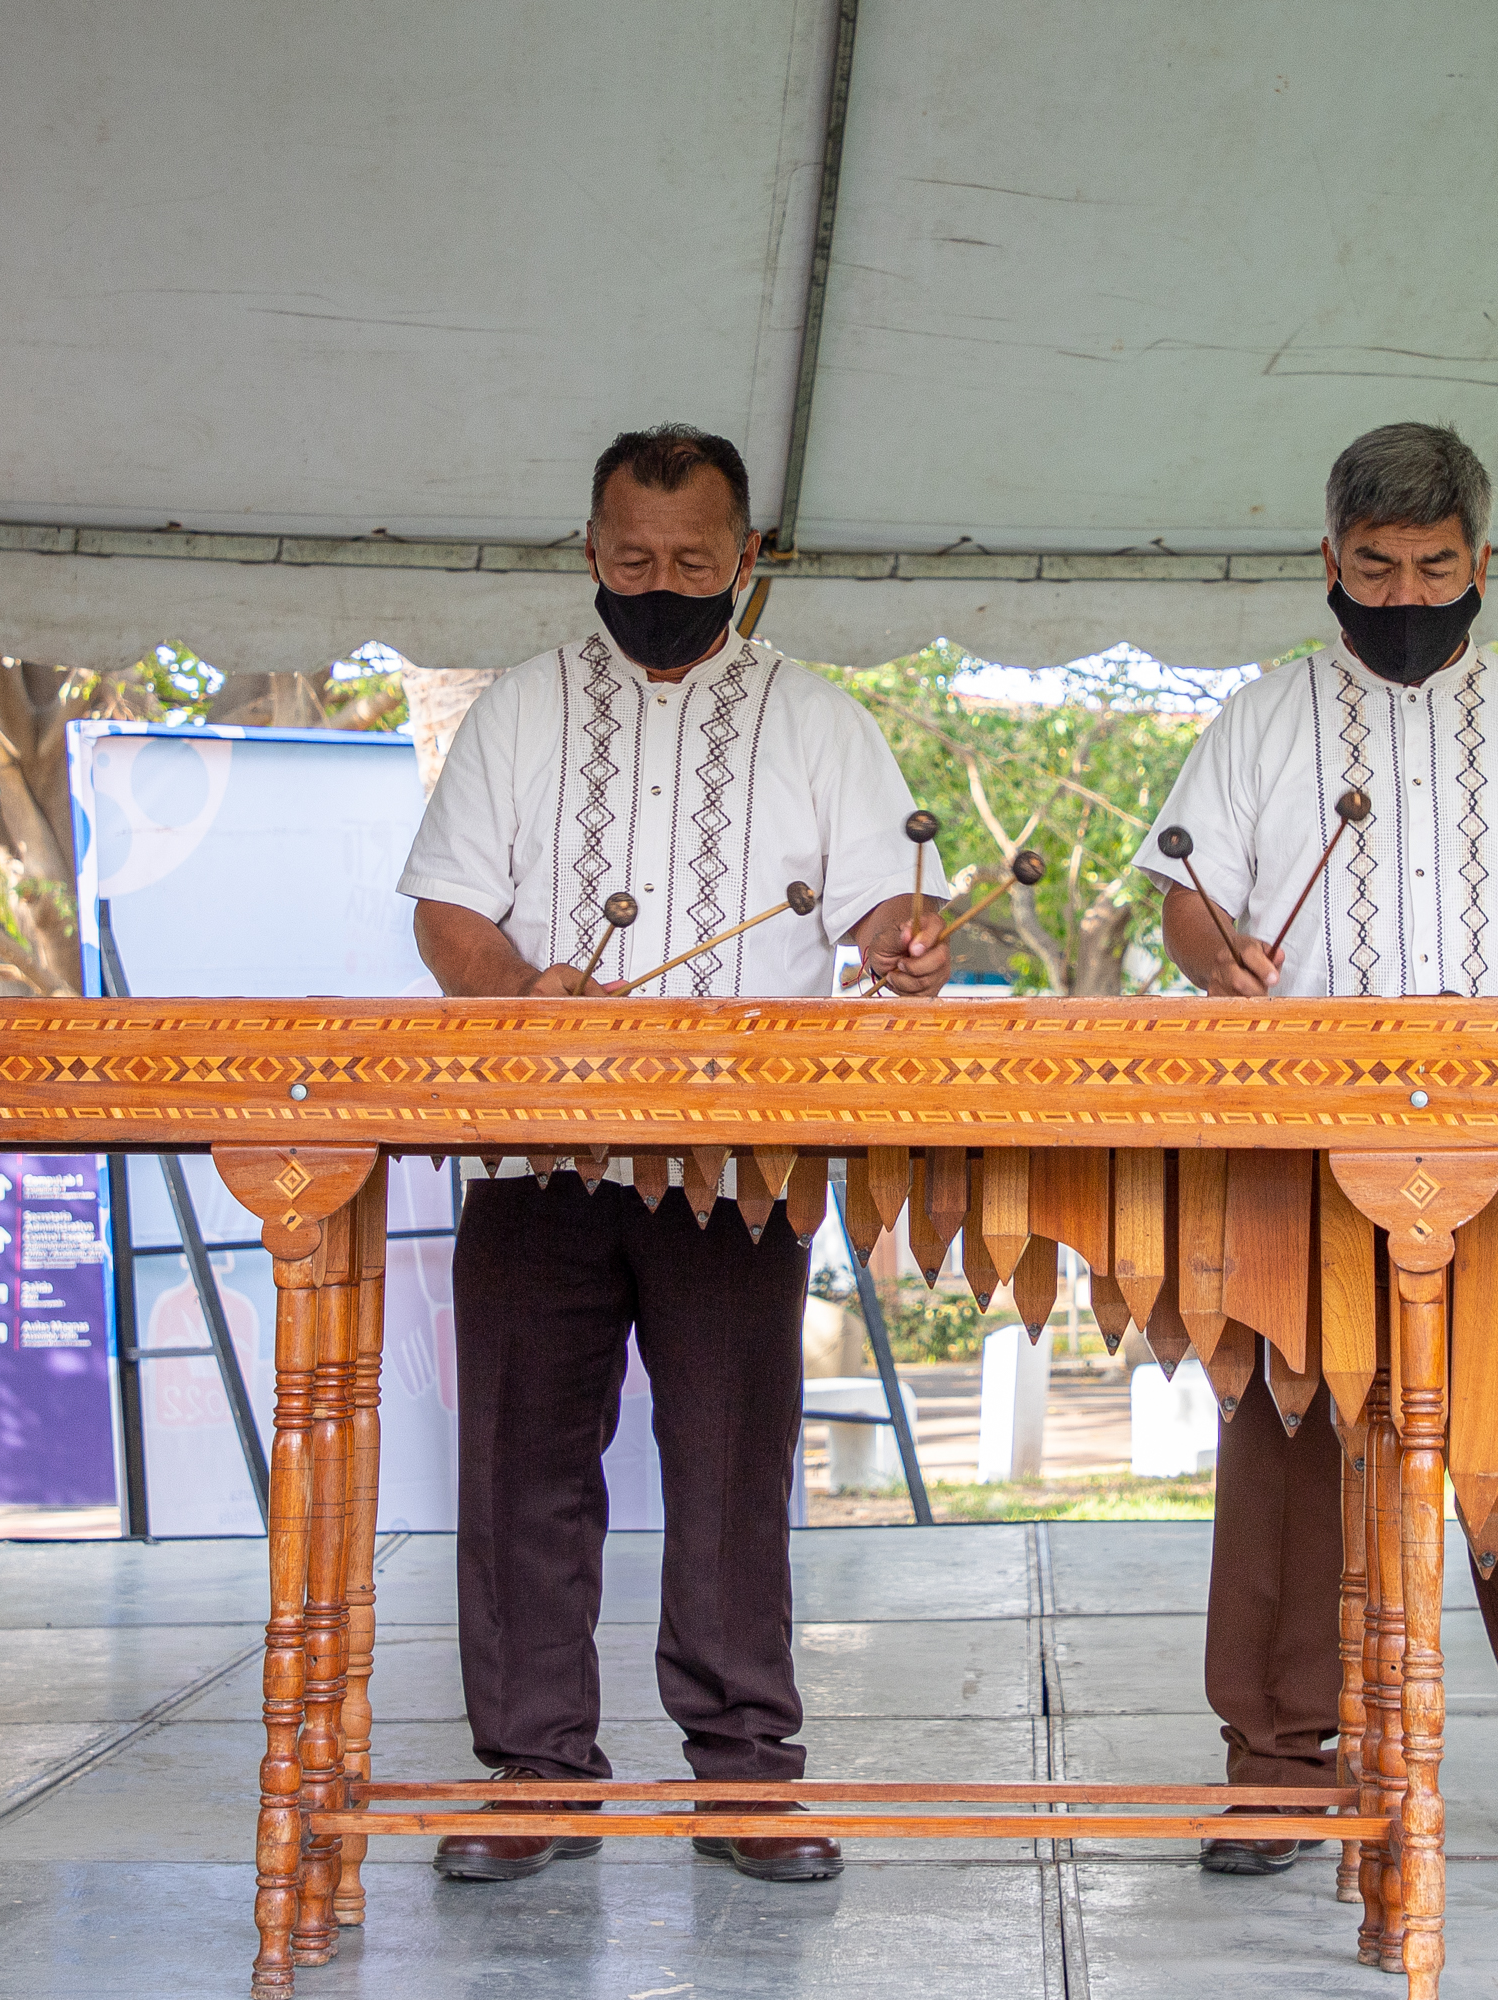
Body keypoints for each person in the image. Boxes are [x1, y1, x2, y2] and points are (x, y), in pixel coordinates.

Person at [1133, 421, 1498, 1878]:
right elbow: (1189, 896)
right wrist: (1218, 956)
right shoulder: (1262, 720)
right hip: (1305, 1135)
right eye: (1375, 568)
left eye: (1435, 568)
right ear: (1329, 559)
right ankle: (1277, 1773)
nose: (1403, 595)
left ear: (1481, 560)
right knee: (1287, 1440)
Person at [399, 423, 951, 1888]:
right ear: (589, 548)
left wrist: (902, 940)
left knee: (728, 1469)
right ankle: (534, 1771)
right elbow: (447, 911)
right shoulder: (519, 709)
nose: (659, 584)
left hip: (739, 1157)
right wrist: (520, 990)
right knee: (521, 1467)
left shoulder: (819, 721)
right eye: (632, 558)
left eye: (693, 561)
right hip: (535, 1152)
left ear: (746, 557)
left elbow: (884, 908)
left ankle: (747, 1773)